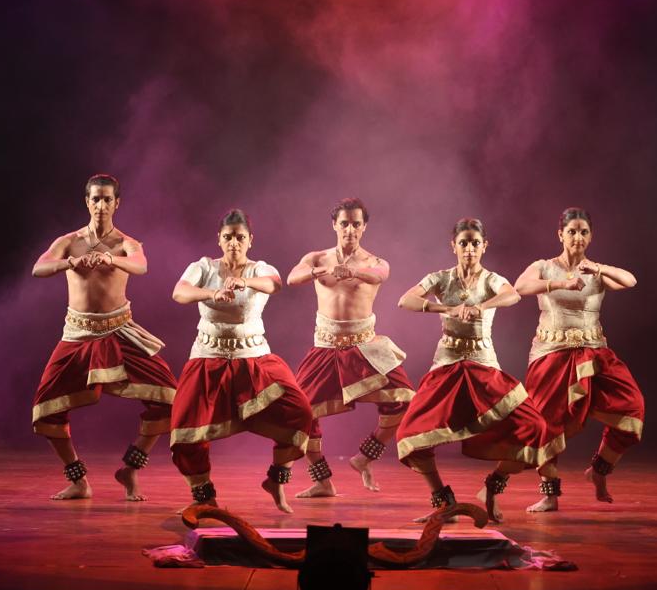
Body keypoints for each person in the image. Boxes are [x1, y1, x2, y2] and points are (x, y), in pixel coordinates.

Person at [395, 218, 560, 521]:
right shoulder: (440, 279)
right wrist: (446, 308)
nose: (469, 249)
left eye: (475, 243)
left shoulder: (491, 280)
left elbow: (513, 294)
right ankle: (443, 502)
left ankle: (493, 486)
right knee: (409, 433)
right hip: (447, 366)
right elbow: (405, 300)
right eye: (464, 243)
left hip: (484, 367)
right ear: (454, 246)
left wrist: (481, 307)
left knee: (534, 427)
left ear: (484, 246)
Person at [30, 173, 178, 501]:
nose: (101, 205)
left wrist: (112, 259)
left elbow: (141, 265)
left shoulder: (127, 243)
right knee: (46, 408)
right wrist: (71, 261)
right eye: (95, 199)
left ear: (116, 203)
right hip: (78, 334)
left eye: (107, 199)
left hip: (119, 331)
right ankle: (79, 481)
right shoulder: (68, 241)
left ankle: (130, 469)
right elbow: (39, 268)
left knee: (169, 398)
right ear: (87, 202)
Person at [168, 209, 314, 513]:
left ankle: (276, 479)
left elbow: (274, 284)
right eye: (228, 237)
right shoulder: (203, 267)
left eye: (240, 237)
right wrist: (212, 292)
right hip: (208, 358)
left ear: (250, 240)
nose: (234, 242)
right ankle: (204, 498)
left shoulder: (260, 269)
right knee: (184, 431)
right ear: (219, 239)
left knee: (300, 412)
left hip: (253, 359)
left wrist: (245, 282)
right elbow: (179, 293)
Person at [514, 207, 643, 512]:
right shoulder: (544, 267)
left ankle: (598, 471)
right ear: (560, 234)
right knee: (546, 423)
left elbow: (630, 281)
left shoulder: (596, 271)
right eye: (571, 231)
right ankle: (550, 495)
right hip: (551, 355)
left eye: (584, 232)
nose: (577, 237)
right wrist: (561, 284)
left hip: (593, 353)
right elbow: (520, 287)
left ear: (591, 236)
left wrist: (598, 269)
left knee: (633, 407)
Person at [287, 198, 415, 496]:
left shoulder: (375, 262)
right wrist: (319, 272)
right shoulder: (317, 258)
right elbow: (292, 278)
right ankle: (322, 481)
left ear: (364, 227)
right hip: (325, 347)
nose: (350, 229)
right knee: (301, 412)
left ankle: (364, 458)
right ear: (334, 224)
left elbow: (380, 276)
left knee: (404, 400)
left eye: (356, 224)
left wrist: (353, 272)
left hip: (364, 347)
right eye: (344, 223)